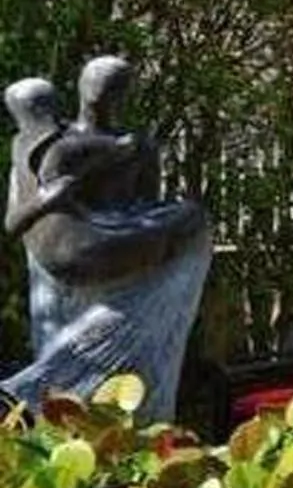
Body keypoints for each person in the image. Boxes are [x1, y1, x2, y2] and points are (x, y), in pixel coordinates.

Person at [2, 59, 212, 417]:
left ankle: (55, 389)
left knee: (189, 225)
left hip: (111, 247)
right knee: (194, 221)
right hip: (84, 258)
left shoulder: (47, 145)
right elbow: (16, 220)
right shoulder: (60, 146)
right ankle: (55, 386)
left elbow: (145, 203)